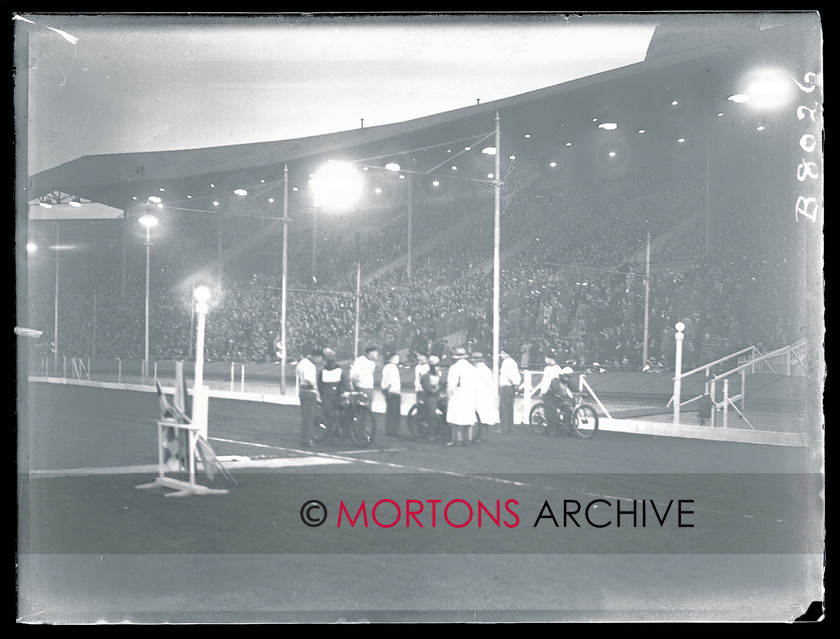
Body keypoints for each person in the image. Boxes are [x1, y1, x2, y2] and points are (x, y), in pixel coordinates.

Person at [445, 347, 477, 446]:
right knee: (468, 416)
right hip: (470, 394)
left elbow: (451, 384)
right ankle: (468, 439)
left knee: (456, 417)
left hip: (458, 394)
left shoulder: (454, 368)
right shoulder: (473, 368)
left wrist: (448, 394)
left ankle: (456, 440)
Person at [317, 348, 350, 440]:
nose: (330, 363)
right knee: (330, 416)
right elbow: (320, 385)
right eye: (328, 361)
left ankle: (342, 430)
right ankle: (329, 437)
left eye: (332, 361)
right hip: (326, 396)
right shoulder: (322, 372)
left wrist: (347, 391)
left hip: (337, 396)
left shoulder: (339, 370)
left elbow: (344, 382)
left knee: (343, 412)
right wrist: (321, 396)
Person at [296, 347, 323, 447]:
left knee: (305, 417)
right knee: (309, 418)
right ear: (316, 356)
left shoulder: (302, 362)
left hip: (302, 391)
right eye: (320, 358)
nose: (320, 361)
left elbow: (298, 373)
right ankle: (306, 440)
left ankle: (305, 438)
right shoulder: (310, 365)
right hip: (309, 391)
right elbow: (309, 380)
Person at [471, 352, 498, 442]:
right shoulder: (480, 369)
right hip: (481, 395)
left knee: (482, 417)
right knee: (481, 417)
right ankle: (480, 436)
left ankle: (481, 437)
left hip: (483, 395)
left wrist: (494, 395)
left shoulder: (482, 370)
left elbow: (490, 384)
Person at [420, 355, 444, 440]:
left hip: (437, 397)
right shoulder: (426, 376)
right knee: (433, 414)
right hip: (429, 398)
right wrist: (438, 388)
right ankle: (430, 434)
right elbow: (429, 390)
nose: (438, 368)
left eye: (438, 366)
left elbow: (441, 385)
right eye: (436, 366)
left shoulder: (438, 376)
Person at [498, 348, 521, 434]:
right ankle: (509, 427)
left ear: (507, 353)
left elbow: (509, 375)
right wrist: (516, 384)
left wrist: (513, 383)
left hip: (506, 386)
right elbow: (517, 375)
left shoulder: (506, 362)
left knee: (503, 408)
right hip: (512, 387)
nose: (501, 355)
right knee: (510, 408)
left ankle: (503, 428)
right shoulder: (513, 362)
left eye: (503, 353)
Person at [381, 352, 402, 437]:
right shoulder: (389, 367)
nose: (398, 359)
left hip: (395, 391)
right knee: (392, 412)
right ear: (392, 359)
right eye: (396, 358)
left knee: (394, 412)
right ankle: (391, 430)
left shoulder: (393, 367)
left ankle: (393, 430)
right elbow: (386, 380)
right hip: (391, 391)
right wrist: (386, 389)